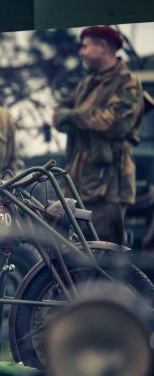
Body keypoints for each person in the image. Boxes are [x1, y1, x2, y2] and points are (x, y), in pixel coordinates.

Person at [53, 25, 144, 244]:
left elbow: (116, 123)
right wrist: (84, 117)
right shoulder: (87, 84)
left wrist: (74, 117)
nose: (81, 52)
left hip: (108, 187)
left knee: (102, 253)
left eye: (85, 47)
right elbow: (57, 116)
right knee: (77, 255)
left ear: (102, 47)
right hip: (79, 182)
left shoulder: (126, 81)